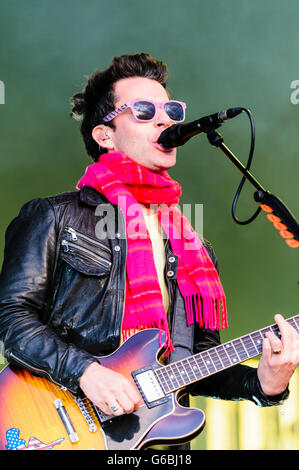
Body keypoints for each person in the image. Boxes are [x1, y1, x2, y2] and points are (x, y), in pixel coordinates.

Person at [0, 53, 298, 448]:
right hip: (58, 422)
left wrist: (263, 383)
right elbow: (11, 316)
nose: (165, 120)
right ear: (104, 135)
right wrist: (86, 371)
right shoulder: (55, 217)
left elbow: (196, 363)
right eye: (143, 111)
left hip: (157, 444)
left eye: (170, 110)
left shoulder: (193, 246)